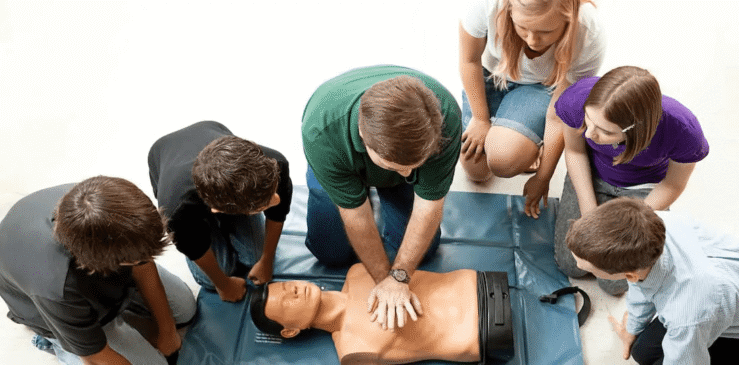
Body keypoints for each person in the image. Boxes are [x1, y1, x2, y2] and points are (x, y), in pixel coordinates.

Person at [301, 65, 461, 328]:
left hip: (392, 153)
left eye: (414, 165)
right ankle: (357, 183)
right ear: (364, 137)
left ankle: (394, 175)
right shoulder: (321, 133)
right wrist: (381, 281)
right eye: (395, 166)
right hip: (338, 159)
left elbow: (428, 206)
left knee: (426, 251)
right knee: (329, 252)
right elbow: (356, 217)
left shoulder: (444, 117)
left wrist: (398, 277)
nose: (409, 173)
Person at [0, 176, 196, 365]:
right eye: (135, 260)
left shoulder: (107, 203)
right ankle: (57, 344)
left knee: (185, 309)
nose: (144, 260)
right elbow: (96, 358)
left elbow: (143, 264)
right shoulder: (57, 288)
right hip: (48, 309)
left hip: (94, 260)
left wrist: (167, 330)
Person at [554, 66, 709, 295]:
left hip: (644, 191)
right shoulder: (576, 99)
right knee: (571, 265)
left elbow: (672, 184)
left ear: (638, 130)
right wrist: (590, 214)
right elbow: (576, 152)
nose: (590, 135)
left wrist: (628, 221)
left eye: (606, 132)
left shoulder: (682, 129)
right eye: (589, 122)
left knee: (613, 282)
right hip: (593, 175)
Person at [566, 197, 739, 365]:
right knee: (642, 352)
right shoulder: (650, 226)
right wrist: (632, 328)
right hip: (735, 288)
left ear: (629, 275)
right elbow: (640, 284)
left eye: (584, 266)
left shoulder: (687, 313)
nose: (578, 265)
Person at [459, 0, 606, 218]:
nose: (532, 40)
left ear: (568, 18)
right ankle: (520, 134)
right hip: (490, 76)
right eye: (523, 27)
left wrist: (543, 177)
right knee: (476, 170)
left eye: (546, 31)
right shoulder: (487, 5)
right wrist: (480, 119)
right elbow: (469, 60)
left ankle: (531, 143)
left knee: (502, 160)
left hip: (540, 86)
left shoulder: (588, 31)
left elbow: (558, 115)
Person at [250, 263, 513, 365]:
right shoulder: (351, 350)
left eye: (286, 286)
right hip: (485, 334)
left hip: (483, 282)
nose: (293, 291)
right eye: (285, 302)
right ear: (290, 330)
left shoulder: (359, 271)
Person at [148, 121, 293, 302]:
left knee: (253, 258)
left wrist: (266, 260)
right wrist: (223, 285)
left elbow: (278, 213)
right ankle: (210, 227)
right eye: (262, 205)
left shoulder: (273, 164)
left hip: (209, 130)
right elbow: (195, 249)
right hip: (166, 157)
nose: (276, 199)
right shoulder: (176, 211)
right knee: (213, 278)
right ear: (218, 210)